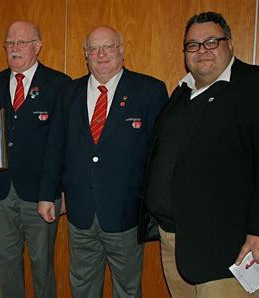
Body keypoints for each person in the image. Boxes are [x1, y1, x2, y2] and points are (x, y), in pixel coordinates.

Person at [140, 11, 259, 297]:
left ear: (230, 44)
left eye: (211, 42)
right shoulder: (183, 90)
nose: (202, 51)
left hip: (229, 249)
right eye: (193, 45)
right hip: (175, 241)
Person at [39, 25, 168, 298]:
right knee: (82, 285)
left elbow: (161, 155)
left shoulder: (150, 90)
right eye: (93, 49)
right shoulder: (68, 93)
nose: (101, 54)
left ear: (121, 51)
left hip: (126, 213)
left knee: (128, 288)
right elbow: (55, 147)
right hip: (79, 212)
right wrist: (48, 195)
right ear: (85, 55)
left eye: (108, 46)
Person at [0, 20, 70, 298]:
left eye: (21, 42)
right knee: (6, 261)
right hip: (1, 188)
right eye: (9, 43)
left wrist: (57, 192)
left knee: (42, 265)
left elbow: (62, 144)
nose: (14, 49)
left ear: (37, 46)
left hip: (41, 193)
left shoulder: (59, 84)